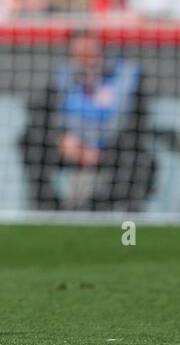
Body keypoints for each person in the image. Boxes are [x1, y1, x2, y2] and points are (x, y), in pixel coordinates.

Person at [21, 32, 156, 211]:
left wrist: (100, 150)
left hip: (114, 150)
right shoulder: (62, 77)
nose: (85, 58)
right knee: (29, 141)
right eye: (79, 53)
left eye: (89, 51)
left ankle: (114, 214)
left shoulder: (128, 76)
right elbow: (41, 115)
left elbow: (139, 123)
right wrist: (61, 140)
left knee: (141, 161)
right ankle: (49, 211)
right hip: (72, 149)